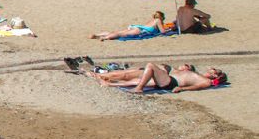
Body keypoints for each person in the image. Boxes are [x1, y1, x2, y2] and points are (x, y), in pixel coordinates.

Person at [96, 61, 226, 92]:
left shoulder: (206, 81)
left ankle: (139, 89)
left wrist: (182, 89)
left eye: (212, 70)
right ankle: (109, 83)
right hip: (170, 80)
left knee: (150, 66)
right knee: (138, 79)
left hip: (172, 83)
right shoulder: (199, 75)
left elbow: (198, 86)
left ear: (215, 75)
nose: (209, 69)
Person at [90, 11, 167, 41]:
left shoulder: (152, 20)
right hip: (140, 30)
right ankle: (104, 37)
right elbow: (163, 32)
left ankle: (97, 35)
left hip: (136, 27)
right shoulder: (158, 20)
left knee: (117, 32)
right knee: (119, 34)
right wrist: (169, 30)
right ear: (161, 17)